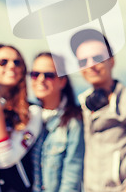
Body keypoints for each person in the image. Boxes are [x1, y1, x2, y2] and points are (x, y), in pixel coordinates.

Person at [70, 28, 126, 192]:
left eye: (97, 58)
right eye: (83, 61)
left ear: (112, 61)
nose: (90, 65)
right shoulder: (80, 106)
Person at [0, 44, 42, 192]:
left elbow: (5, 159)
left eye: (17, 62)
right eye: (3, 62)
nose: (11, 66)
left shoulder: (33, 112)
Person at [29, 52, 85, 192]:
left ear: (62, 81)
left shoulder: (73, 122)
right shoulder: (27, 118)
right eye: (35, 74)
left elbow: (71, 180)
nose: (41, 79)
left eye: (49, 75)